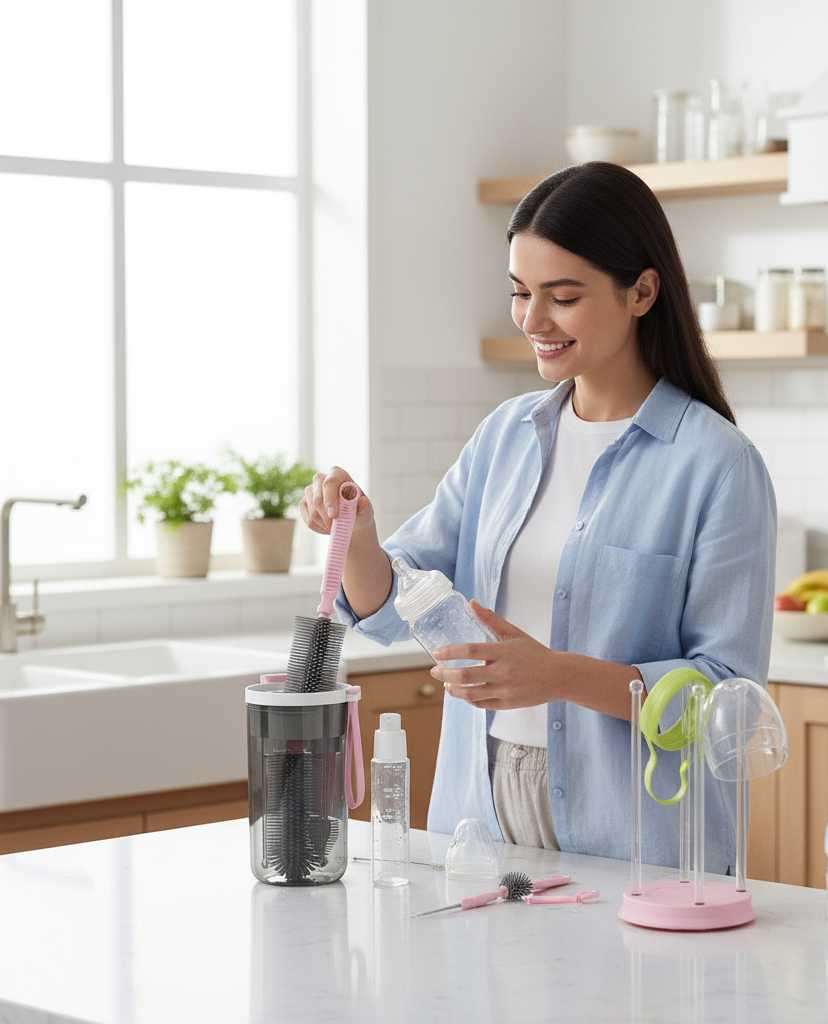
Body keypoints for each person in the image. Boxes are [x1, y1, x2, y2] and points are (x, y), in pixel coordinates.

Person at [300, 162, 776, 871]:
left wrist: (557, 677)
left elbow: (726, 700)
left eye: (563, 296)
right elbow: (391, 605)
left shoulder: (717, 464)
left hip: (636, 829)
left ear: (642, 291)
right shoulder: (506, 435)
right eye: (521, 293)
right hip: (480, 810)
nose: (531, 320)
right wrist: (357, 533)